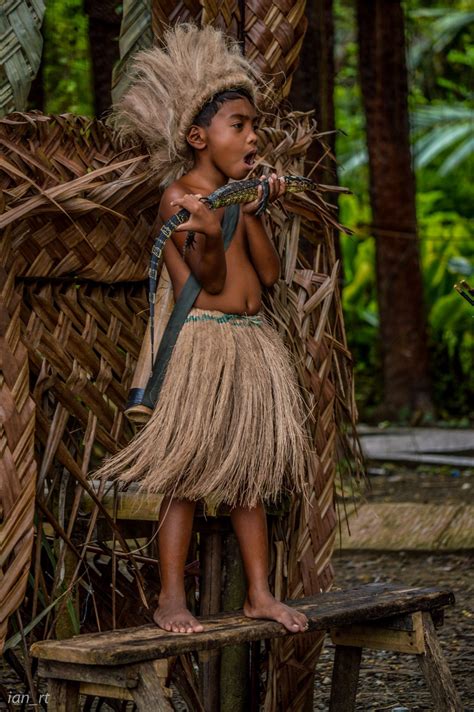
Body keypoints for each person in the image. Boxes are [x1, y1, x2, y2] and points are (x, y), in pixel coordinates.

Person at [93, 23, 311, 635]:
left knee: (248, 475)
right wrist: (212, 230)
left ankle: (260, 594)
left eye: (253, 125)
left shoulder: (235, 197)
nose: (253, 135)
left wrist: (258, 207)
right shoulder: (179, 199)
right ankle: (169, 598)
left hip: (251, 344)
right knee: (185, 475)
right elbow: (209, 283)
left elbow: (267, 275)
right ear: (197, 136)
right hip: (205, 344)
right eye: (238, 124)